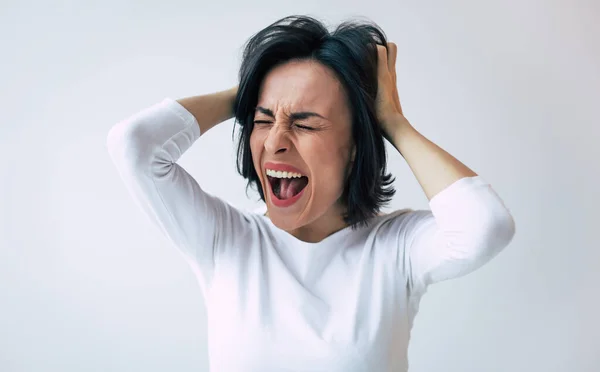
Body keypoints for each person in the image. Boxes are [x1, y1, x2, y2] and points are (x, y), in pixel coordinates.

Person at [106, 15, 515, 372]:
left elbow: (485, 227)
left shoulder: (396, 248)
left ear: (355, 147)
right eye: (262, 121)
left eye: (305, 124)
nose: (274, 143)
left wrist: (391, 120)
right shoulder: (225, 240)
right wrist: (248, 93)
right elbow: (134, 145)